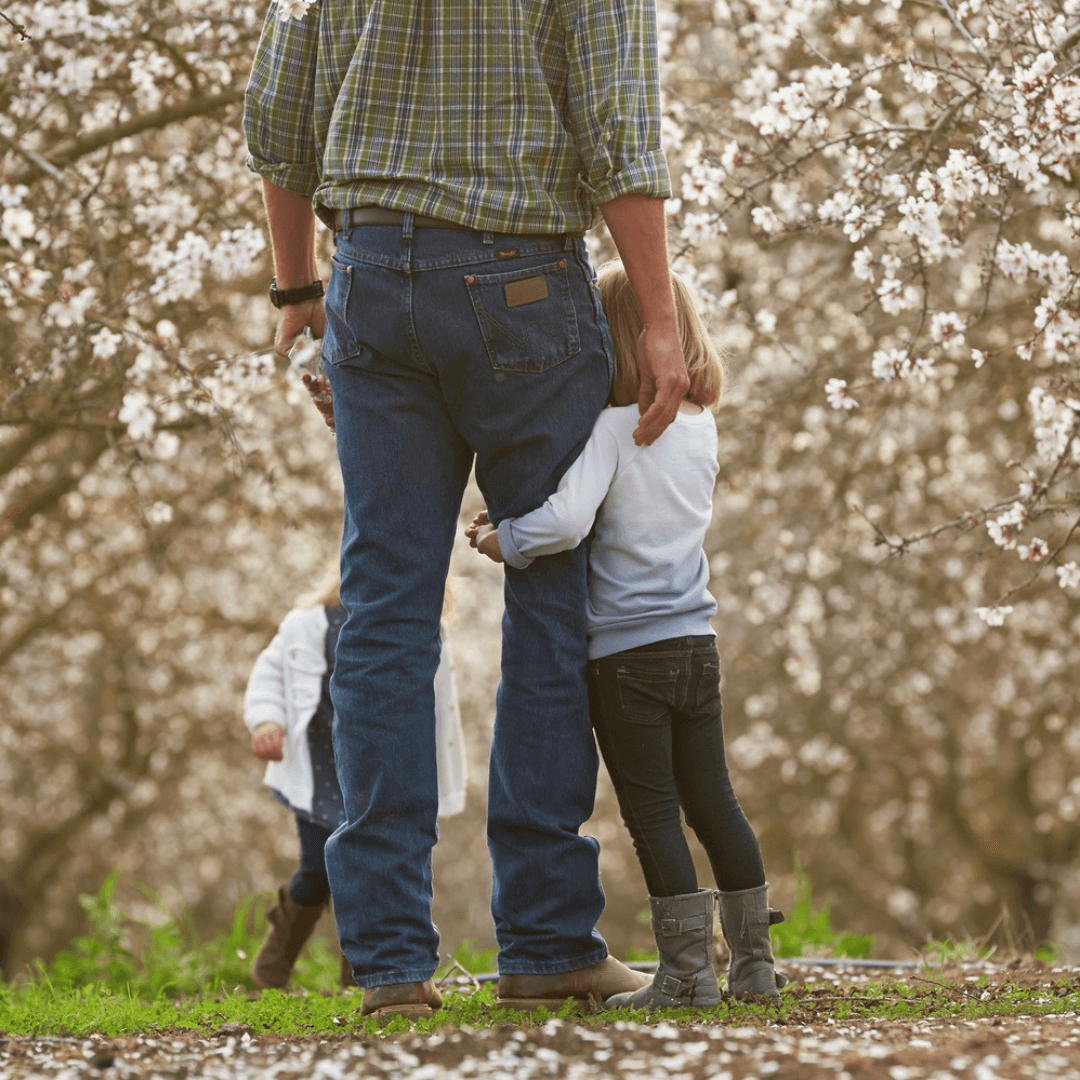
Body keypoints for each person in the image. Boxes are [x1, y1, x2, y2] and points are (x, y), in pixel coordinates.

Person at [243, 0, 690, 1017]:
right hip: (520, 276)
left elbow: (278, 114)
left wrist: (293, 287)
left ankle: (392, 963)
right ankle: (544, 939)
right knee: (551, 588)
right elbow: (619, 127)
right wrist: (658, 319)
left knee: (384, 608)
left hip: (367, 277)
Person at [466, 261, 786, 1009]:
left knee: (651, 814)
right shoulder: (702, 429)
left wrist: (504, 539)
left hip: (625, 655)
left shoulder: (615, 428)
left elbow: (568, 522)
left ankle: (684, 977)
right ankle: (755, 967)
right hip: (694, 644)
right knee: (715, 800)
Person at [243, 562, 467, 992]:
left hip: (380, 768)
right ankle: (275, 959)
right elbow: (269, 672)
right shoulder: (309, 623)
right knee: (315, 867)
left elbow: (438, 703)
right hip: (321, 768)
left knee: (370, 864)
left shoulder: (423, 629)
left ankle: (365, 974)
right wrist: (266, 721)